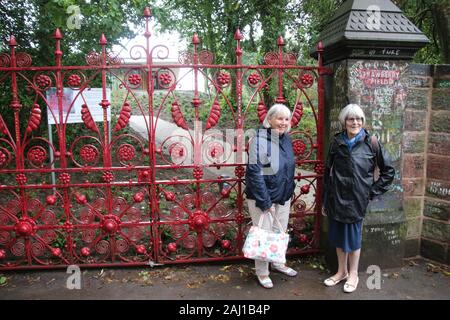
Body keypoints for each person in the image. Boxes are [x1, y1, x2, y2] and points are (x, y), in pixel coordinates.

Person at [322, 104, 395, 293]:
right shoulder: (336, 142)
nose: (355, 122)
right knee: (338, 237)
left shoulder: (371, 142)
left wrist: (371, 192)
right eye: (351, 119)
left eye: (359, 119)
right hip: (337, 197)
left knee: (353, 238)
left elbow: (388, 171)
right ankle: (341, 272)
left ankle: (353, 273)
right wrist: (325, 198)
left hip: (357, 200)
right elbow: (327, 171)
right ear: (344, 121)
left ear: (363, 121)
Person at [245, 103, 297, 289]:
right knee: (264, 235)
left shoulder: (286, 139)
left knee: (278, 231)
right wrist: (265, 200)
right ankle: (262, 272)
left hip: (283, 195)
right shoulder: (259, 139)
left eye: (286, 119)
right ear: (269, 119)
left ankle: (277, 263)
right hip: (262, 197)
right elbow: (254, 172)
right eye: (279, 118)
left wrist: (289, 190)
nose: (283, 122)